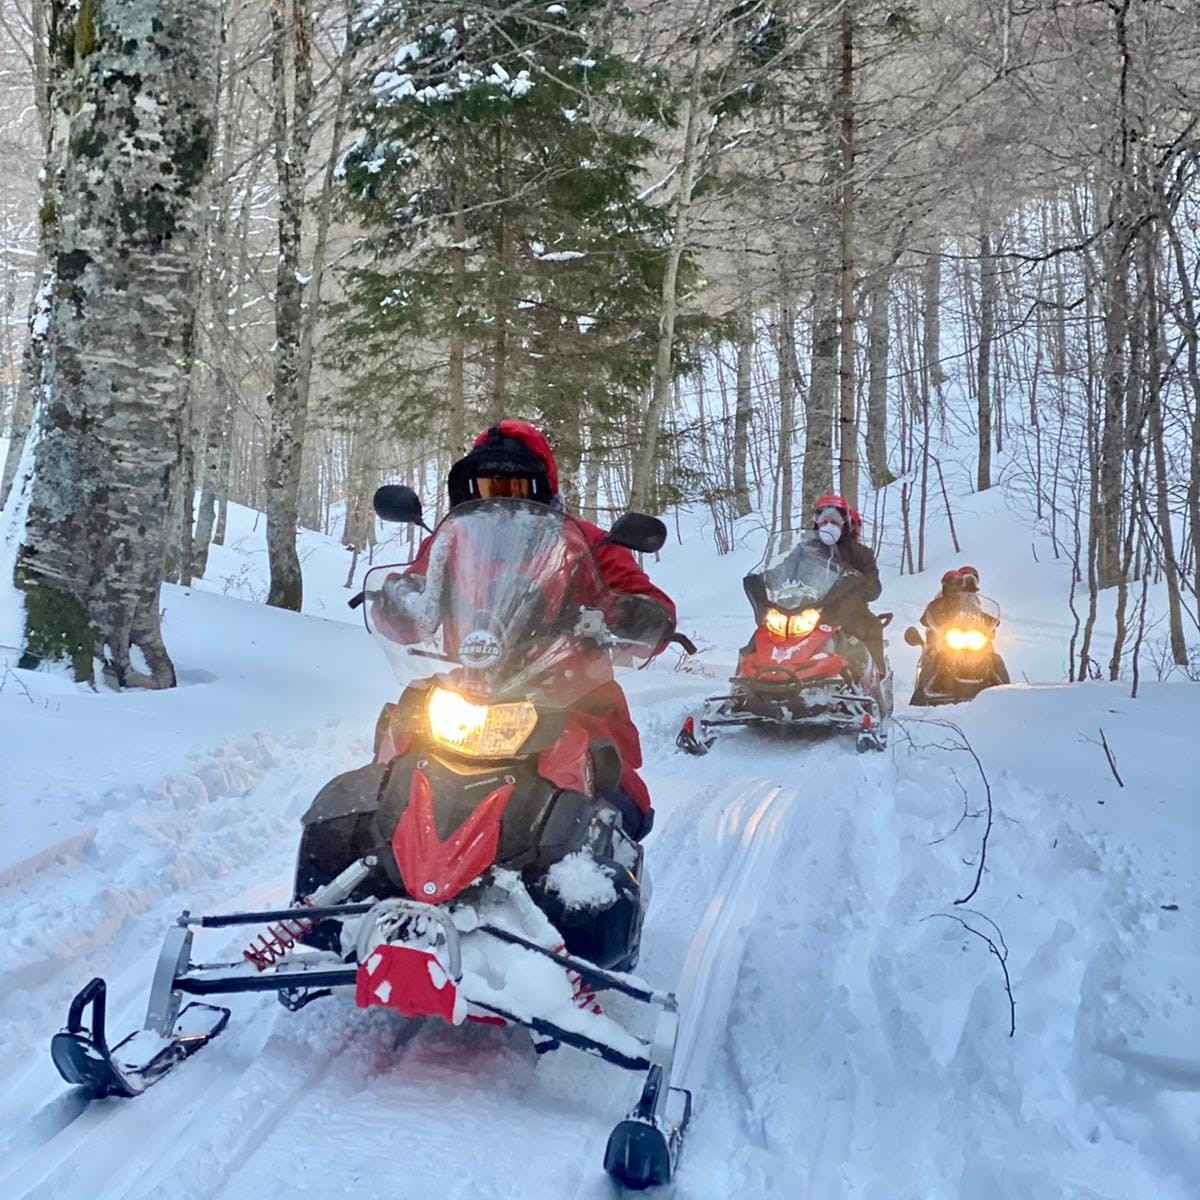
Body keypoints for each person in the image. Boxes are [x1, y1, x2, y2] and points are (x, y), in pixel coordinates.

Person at [380, 420, 675, 840]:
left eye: (516, 488)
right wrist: (397, 598)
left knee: (618, 798)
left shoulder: (587, 542)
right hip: (469, 688)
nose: (501, 499)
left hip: (568, 691)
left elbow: (647, 599)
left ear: (541, 490)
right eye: (488, 488)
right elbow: (415, 592)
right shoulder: (451, 543)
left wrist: (633, 615)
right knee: (396, 747)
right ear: (469, 490)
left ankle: (596, 877)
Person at [808, 493, 886, 675]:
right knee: (769, 632)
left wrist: (858, 590)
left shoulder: (861, 553)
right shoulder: (806, 551)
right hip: (811, 612)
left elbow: (874, 585)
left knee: (872, 627)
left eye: (835, 519)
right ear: (816, 522)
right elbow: (785, 571)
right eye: (823, 518)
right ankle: (750, 676)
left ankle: (877, 676)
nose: (829, 524)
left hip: (851, 612)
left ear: (846, 522)